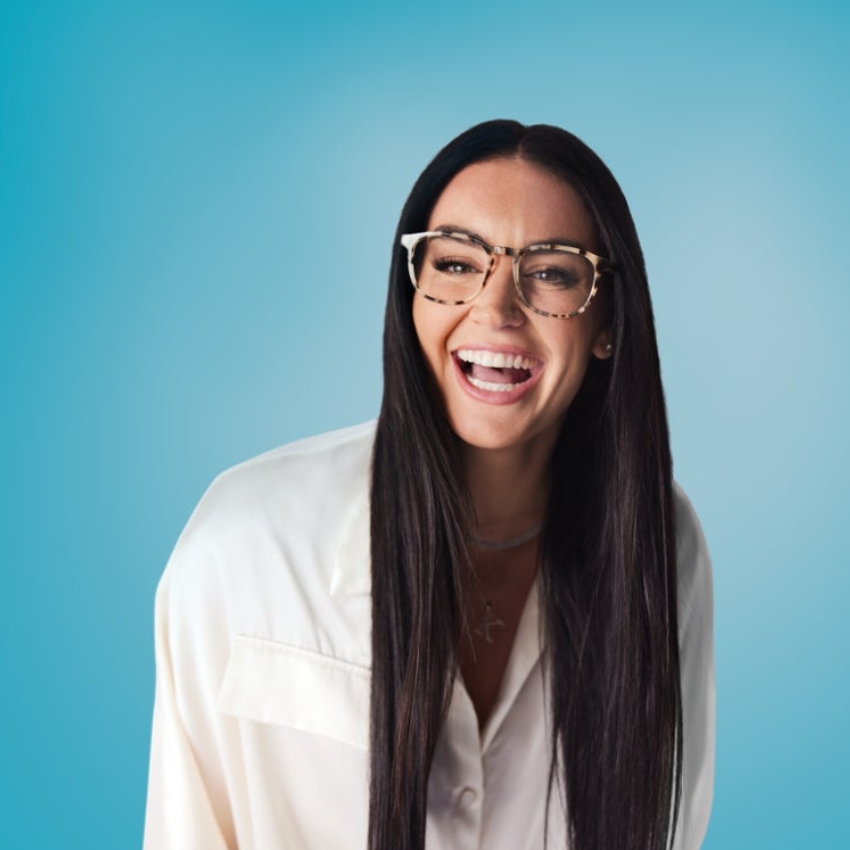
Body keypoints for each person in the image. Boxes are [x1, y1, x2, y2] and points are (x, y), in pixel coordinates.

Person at [143, 120, 714, 850]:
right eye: (456, 263)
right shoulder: (244, 546)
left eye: (552, 272)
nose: (496, 310)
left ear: (609, 322)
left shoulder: (662, 549)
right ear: (410, 292)